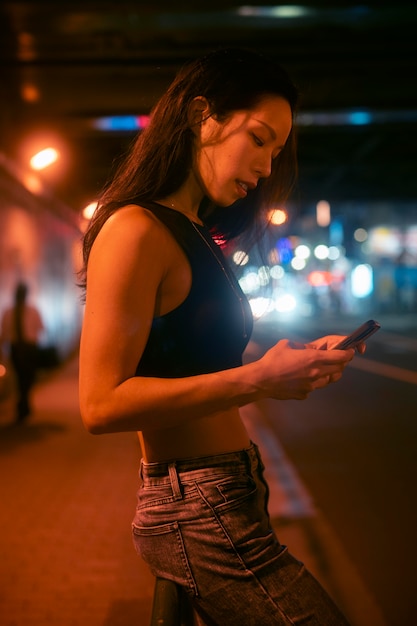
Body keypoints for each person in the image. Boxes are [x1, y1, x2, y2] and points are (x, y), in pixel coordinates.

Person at [79, 48, 362, 625]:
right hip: (197, 510)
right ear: (201, 115)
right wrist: (259, 380)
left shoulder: (194, 233)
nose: (266, 167)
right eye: (258, 139)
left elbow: (196, 358)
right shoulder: (136, 228)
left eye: (277, 151)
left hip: (229, 494)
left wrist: (293, 361)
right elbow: (101, 403)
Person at [1, 282, 44, 421]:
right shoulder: (10, 312)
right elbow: (5, 334)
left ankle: (23, 405)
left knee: (27, 378)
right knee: (22, 378)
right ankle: (23, 405)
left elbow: (40, 328)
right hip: (19, 348)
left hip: (27, 348)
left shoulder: (31, 311)